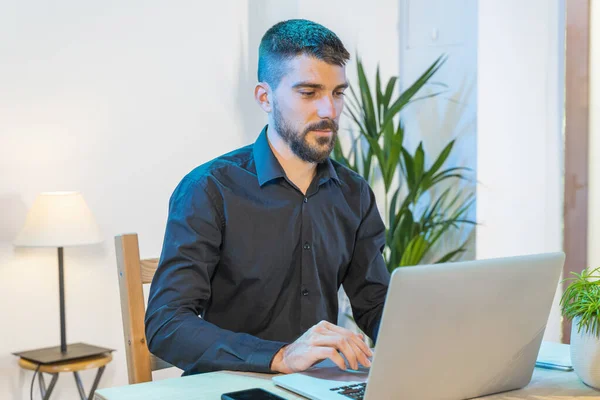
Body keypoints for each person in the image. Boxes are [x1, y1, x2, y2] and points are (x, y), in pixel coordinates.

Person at [145, 18, 390, 376]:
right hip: (229, 386)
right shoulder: (209, 189)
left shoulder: (354, 194)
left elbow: (375, 303)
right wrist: (281, 355)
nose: (329, 111)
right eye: (309, 92)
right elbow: (166, 323)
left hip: (319, 385)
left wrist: (425, 344)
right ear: (265, 97)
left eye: (337, 93)